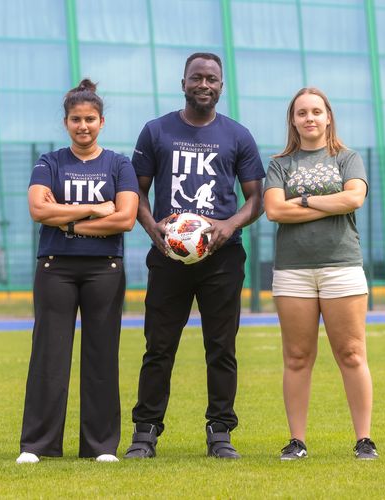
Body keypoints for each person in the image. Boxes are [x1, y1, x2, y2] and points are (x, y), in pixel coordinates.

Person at [123, 53, 265, 459]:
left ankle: (220, 432)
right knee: (159, 345)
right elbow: (137, 194)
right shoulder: (156, 131)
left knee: (221, 347)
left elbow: (255, 201)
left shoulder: (238, 135)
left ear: (222, 86)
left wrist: (228, 225)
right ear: (183, 82)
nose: (205, 85)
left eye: (212, 79)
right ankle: (145, 433)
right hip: (169, 257)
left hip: (222, 258)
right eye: (197, 78)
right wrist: (154, 231)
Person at [16, 79, 139, 464]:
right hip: (56, 267)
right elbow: (38, 210)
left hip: (105, 268)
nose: (82, 126)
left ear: (101, 122)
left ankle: (100, 446)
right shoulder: (49, 162)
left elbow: (126, 218)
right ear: (65, 122)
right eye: (75, 119)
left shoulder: (119, 164)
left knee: (102, 356)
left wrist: (66, 220)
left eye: (89, 119)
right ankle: (38, 446)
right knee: (49, 356)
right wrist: (94, 208)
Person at [263, 87, 378, 460]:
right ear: (293, 121)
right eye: (301, 113)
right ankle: (297, 441)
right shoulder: (281, 163)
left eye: (316, 111)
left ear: (328, 116)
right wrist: (329, 204)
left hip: (341, 267)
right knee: (297, 356)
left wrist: (305, 201)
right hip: (293, 271)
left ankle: (364, 439)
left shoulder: (348, 158)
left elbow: (353, 198)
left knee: (351, 352)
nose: (309, 118)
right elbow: (275, 212)